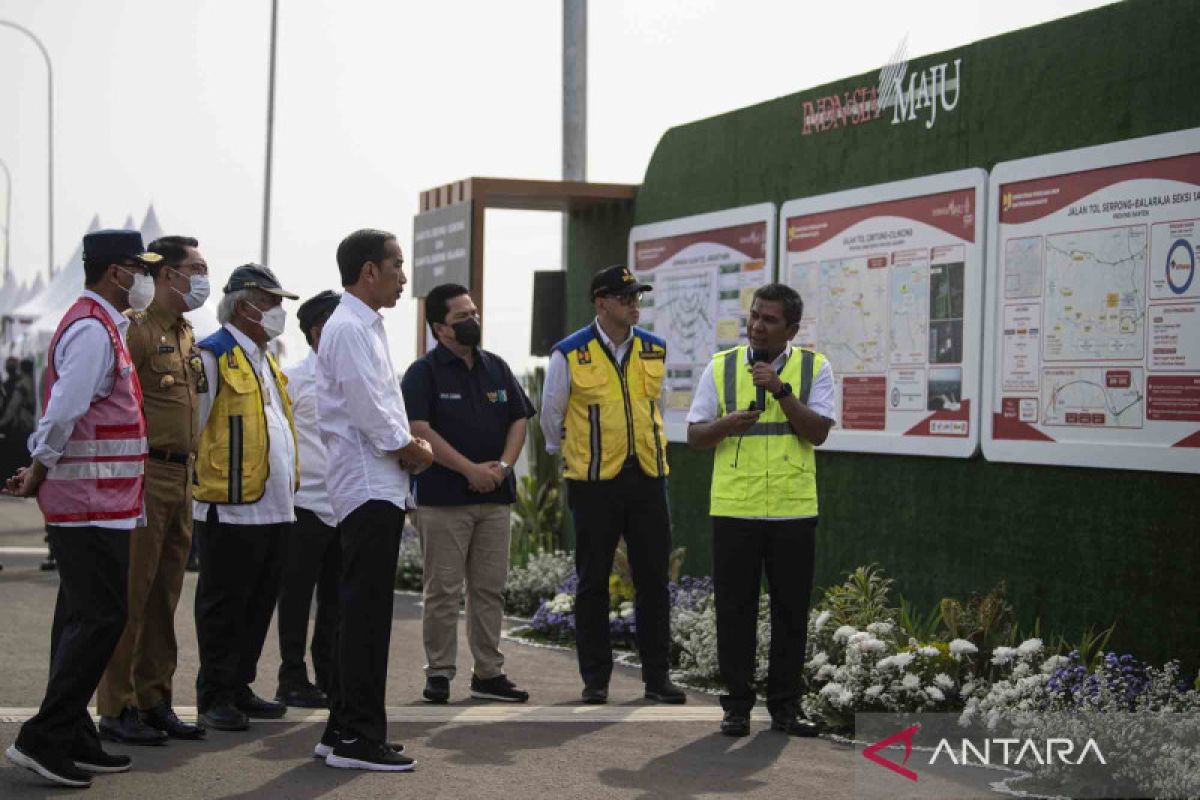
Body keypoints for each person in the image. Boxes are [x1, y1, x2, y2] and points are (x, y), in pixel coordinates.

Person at [3, 229, 159, 788]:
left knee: (79, 617)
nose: (146, 279)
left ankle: (70, 732)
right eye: (140, 269)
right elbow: (64, 408)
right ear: (115, 273)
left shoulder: (102, 326)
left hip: (100, 502)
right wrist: (40, 466)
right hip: (87, 503)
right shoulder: (93, 330)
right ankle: (43, 737)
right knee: (102, 616)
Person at [685, 283, 835, 738]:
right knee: (735, 611)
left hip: (792, 510)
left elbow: (818, 433)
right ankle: (736, 707)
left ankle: (785, 709)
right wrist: (724, 425)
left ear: (791, 328)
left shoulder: (815, 368)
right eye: (754, 316)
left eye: (769, 320)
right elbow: (694, 435)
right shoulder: (721, 366)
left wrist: (783, 391)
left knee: (791, 614)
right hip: (736, 509)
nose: (757, 326)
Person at [540, 265, 685, 706]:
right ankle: (596, 679)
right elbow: (551, 414)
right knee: (593, 582)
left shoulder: (655, 349)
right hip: (593, 482)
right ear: (601, 303)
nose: (633, 304)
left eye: (636, 296)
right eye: (625, 298)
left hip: (647, 477)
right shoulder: (569, 352)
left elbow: (656, 407)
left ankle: (657, 679)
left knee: (653, 581)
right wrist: (565, 452)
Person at [315, 228, 433, 772]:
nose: (404, 277)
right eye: (397, 265)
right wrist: (409, 447)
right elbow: (368, 408)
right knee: (364, 616)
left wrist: (404, 447)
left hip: (375, 484)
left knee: (356, 612)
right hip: (367, 483)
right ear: (369, 270)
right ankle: (359, 737)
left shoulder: (363, 326)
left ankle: (342, 728)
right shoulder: (347, 328)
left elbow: (378, 402)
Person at [96, 236, 208, 746]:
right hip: (145, 474)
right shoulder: (139, 333)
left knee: (165, 596)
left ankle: (154, 699)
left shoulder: (187, 334)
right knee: (132, 595)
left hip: (182, 476)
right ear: (167, 276)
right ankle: (116, 707)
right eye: (196, 269)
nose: (203, 278)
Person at [401, 283, 535, 705]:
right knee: (442, 589)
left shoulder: (496, 367)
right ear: (441, 328)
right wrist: (470, 470)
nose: (472, 321)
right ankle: (439, 672)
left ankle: (488, 673)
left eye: (474, 312)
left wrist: (504, 467)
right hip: (444, 499)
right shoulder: (423, 373)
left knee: (489, 589)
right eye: (462, 317)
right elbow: (419, 430)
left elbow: (519, 419)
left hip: (494, 499)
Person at [192, 264, 299, 732]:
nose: (278, 311)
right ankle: (215, 693)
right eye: (271, 301)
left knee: (259, 603)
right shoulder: (212, 354)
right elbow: (192, 427)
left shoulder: (266, 357)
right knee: (224, 605)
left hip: (274, 504)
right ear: (244, 304)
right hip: (229, 504)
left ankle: (239, 685)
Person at [274, 290, 342, 709]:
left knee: (336, 598)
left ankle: (330, 673)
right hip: (305, 503)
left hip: (345, 503)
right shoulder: (294, 378)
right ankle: (291, 676)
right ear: (318, 331)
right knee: (296, 596)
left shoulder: (356, 375)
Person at [0, 356, 37, 480]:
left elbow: (13, 406)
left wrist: (3, 422)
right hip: (29, 425)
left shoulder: (19, 384)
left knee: (13, 456)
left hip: (18, 427)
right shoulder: (33, 382)